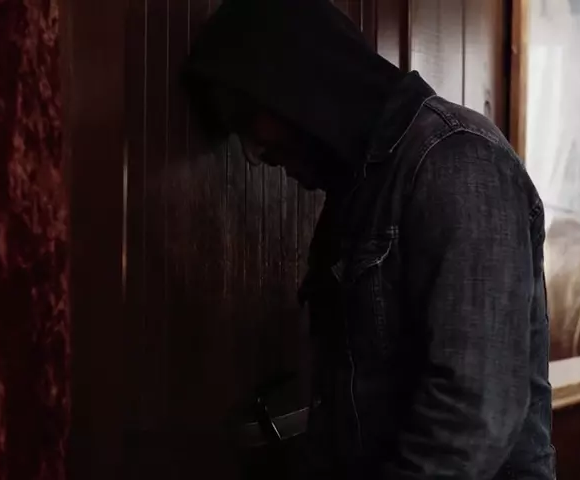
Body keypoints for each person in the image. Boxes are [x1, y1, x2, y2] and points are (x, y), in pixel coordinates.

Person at [183, 0, 554, 478]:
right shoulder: (363, 185)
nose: (254, 155)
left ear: (296, 83)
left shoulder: (455, 160)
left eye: (249, 117)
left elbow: (471, 421)